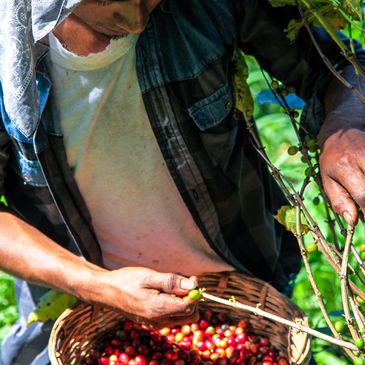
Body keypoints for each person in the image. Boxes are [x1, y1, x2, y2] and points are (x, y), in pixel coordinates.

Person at [0, 0, 365, 364]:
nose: (138, 20)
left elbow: (338, 65)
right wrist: (94, 284)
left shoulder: (205, 7)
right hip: (75, 300)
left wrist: (343, 128)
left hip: (241, 297)